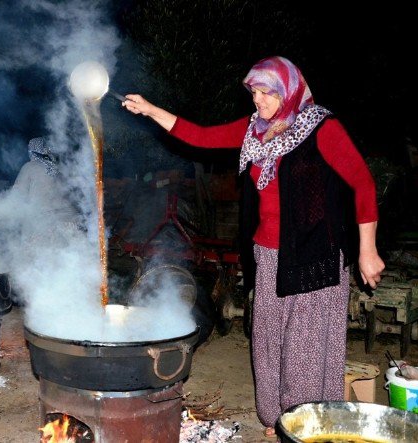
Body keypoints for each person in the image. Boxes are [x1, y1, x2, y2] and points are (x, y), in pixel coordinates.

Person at [122, 56, 385, 437]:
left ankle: (303, 423)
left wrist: (368, 249)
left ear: (289, 92)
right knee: (267, 341)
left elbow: (363, 184)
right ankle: (279, 417)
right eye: (254, 92)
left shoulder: (321, 128)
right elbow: (200, 136)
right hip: (268, 253)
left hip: (315, 254)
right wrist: (149, 110)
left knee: (304, 350)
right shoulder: (254, 131)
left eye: (266, 93)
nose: (257, 100)